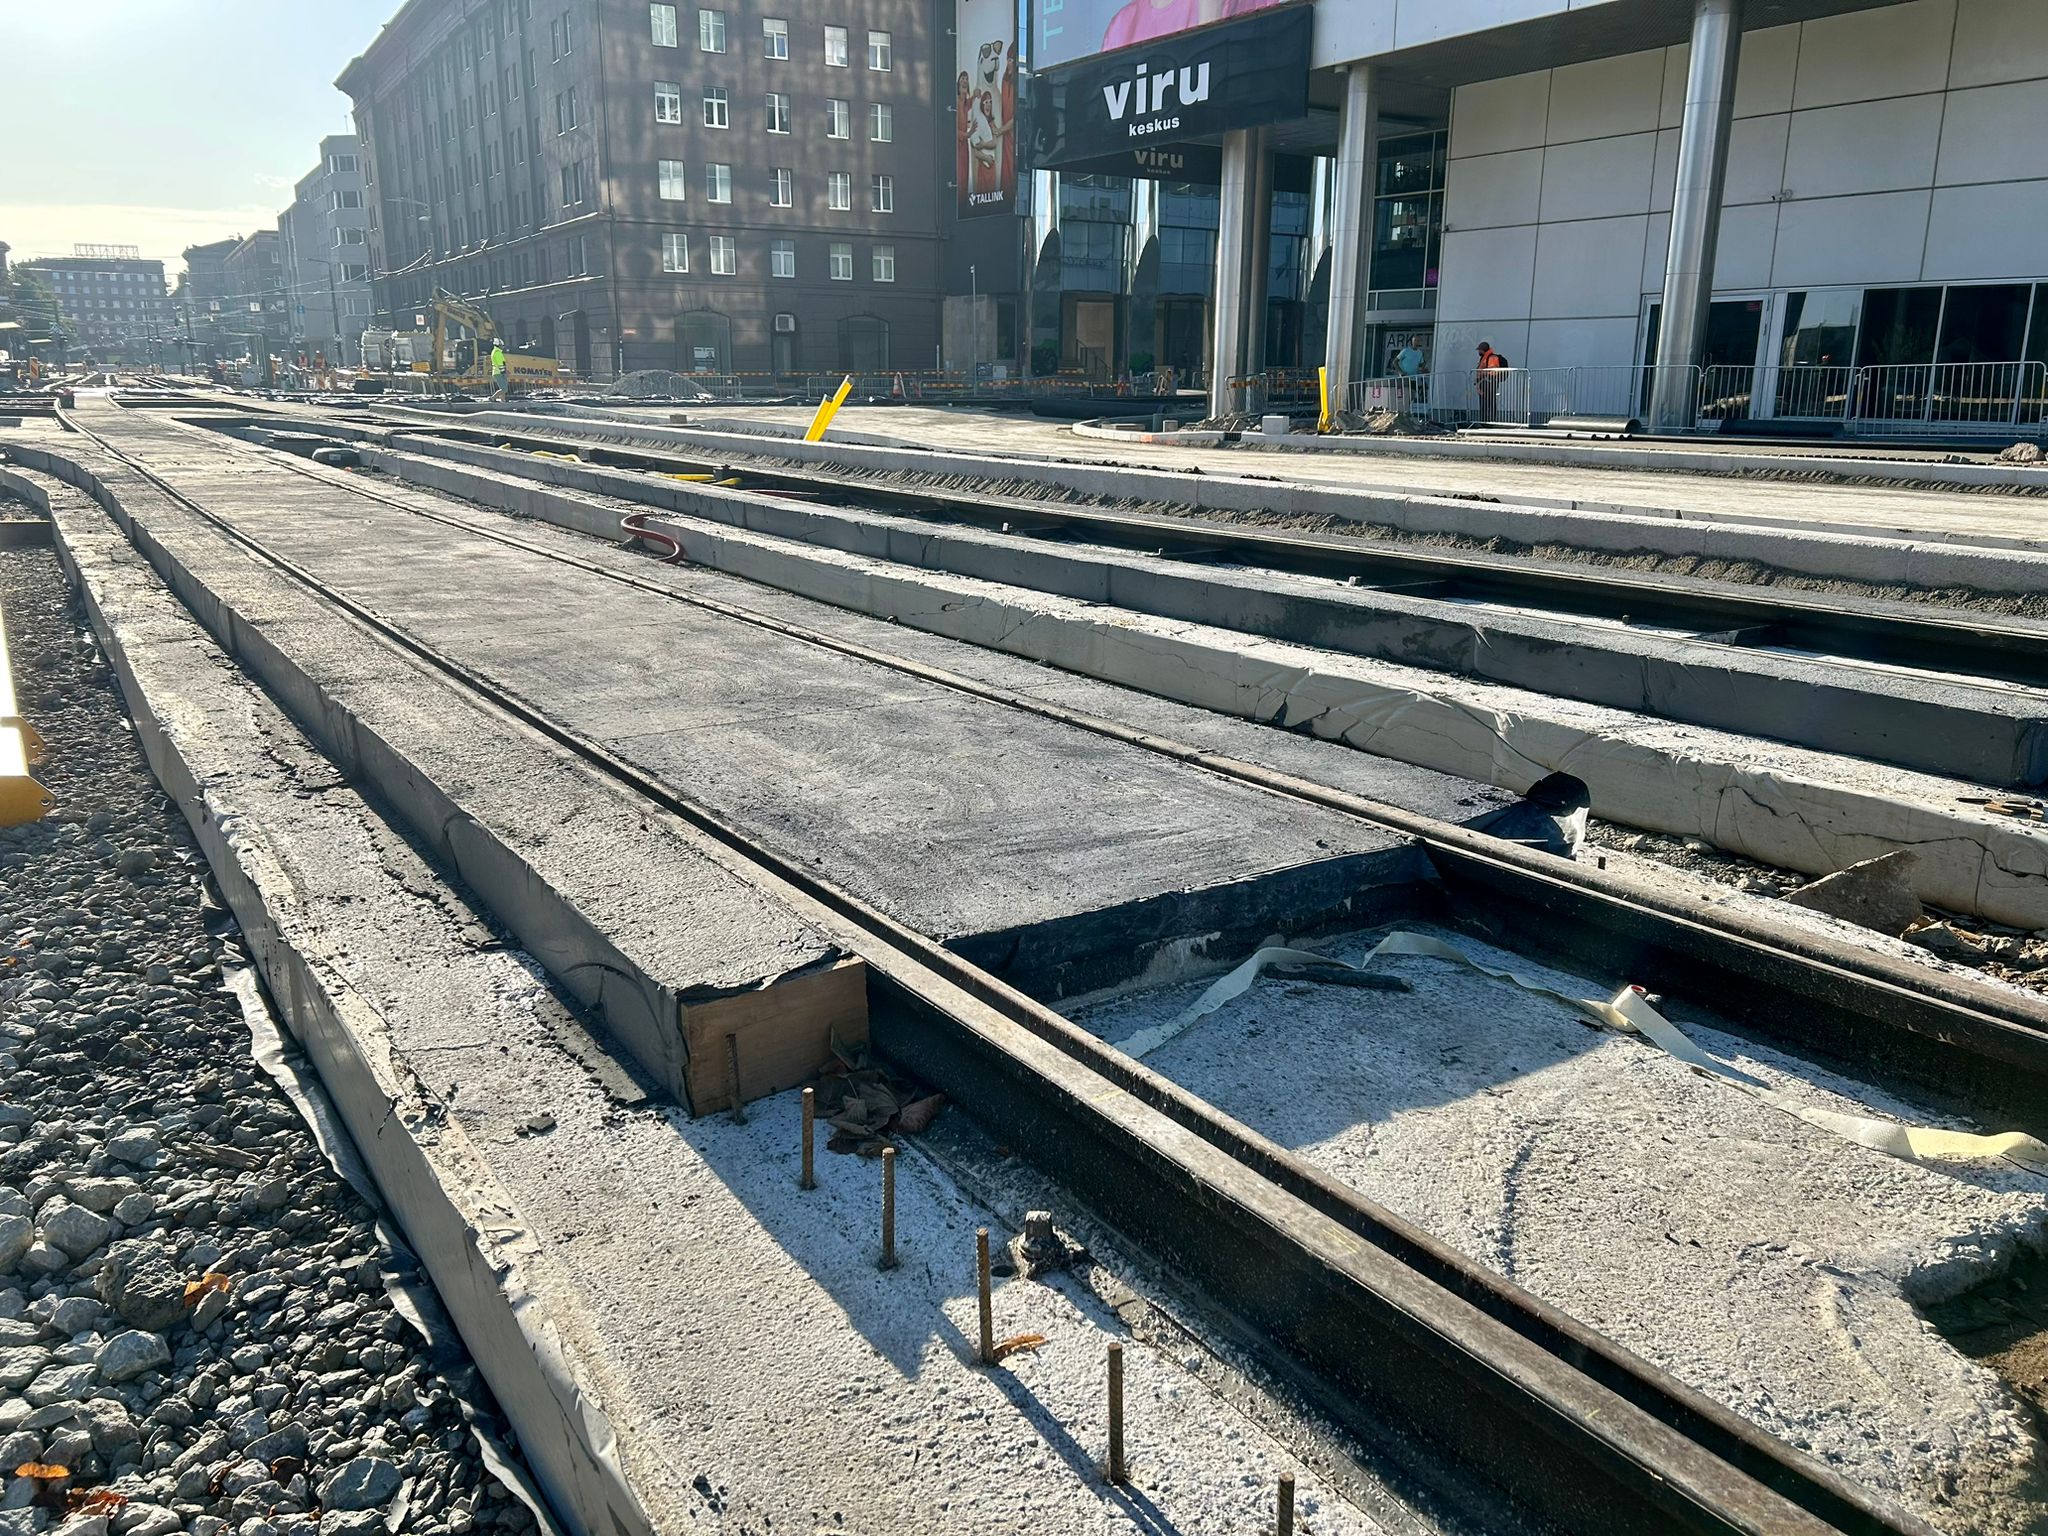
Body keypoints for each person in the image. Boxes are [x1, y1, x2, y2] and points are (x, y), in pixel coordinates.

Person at [1474, 340, 1508, 421]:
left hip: (1488, 383)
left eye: (1480, 350)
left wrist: (1483, 380)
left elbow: (1492, 371)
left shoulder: (1491, 357)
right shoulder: (1485, 357)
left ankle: (1489, 421)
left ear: (1483, 350)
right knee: (1484, 403)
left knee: (1489, 402)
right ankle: (1484, 420)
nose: (1479, 351)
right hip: (1484, 383)